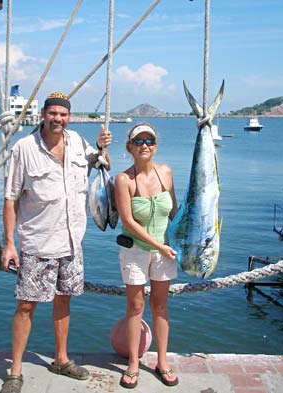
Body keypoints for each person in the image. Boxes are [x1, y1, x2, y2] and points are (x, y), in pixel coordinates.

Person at [0, 92, 112, 393]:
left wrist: (103, 148)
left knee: (64, 300)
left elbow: (102, 164)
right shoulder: (23, 149)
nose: (58, 119)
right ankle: (16, 370)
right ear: (43, 115)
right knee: (26, 305)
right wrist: (9, 243)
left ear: (69, 117)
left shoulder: (77, 142)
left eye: (63, 114)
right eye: (53, 114)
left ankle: (61, 359)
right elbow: (10, 200)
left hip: (72, 241)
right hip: (37, 242)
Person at [114, 122, 179, 389]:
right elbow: (128, 222)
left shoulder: (166, 172)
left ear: (155, 146)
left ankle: (162, 362)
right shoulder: (123, 179)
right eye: (138, 141)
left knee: (161, 307)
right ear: (129, 147)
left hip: (165, 251)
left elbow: (175, 211)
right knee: (136, 307)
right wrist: (160, 246)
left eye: (149, 141)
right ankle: (132, 362)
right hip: (135, 252)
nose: (144, 146)